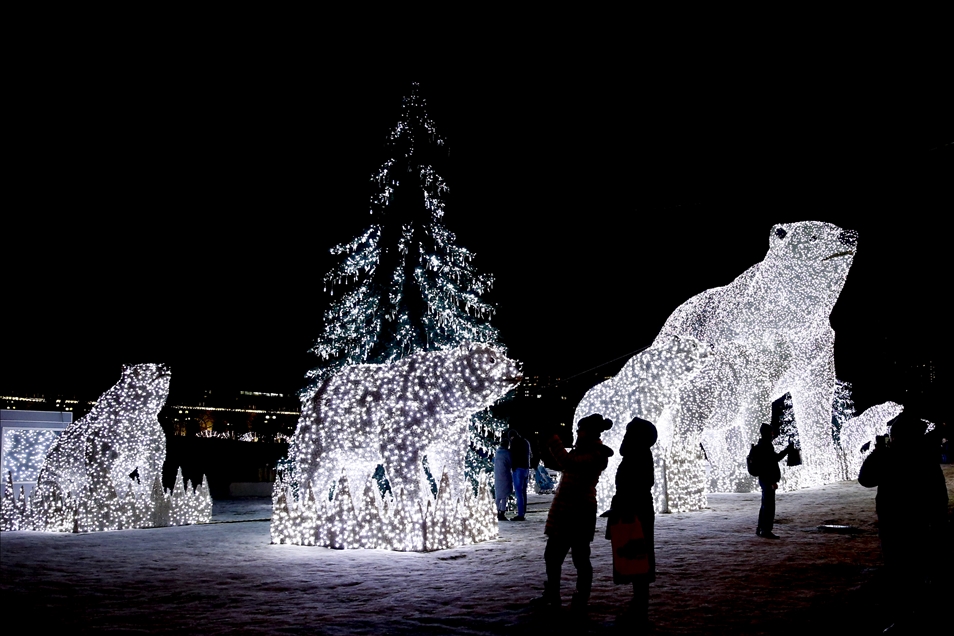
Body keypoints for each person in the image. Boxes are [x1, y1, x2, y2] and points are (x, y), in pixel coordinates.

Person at [858, 411, 948, 633]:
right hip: (917, 524)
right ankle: (918, 615)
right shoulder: (925, 457)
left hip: (897, 525)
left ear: (897, 435)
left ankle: (906, 617)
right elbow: (939, 495)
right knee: (917, 572)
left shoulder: (891, 456)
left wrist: (878, 452)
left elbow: (865, 478)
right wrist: (938, 524)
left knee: (901, 573)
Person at [533, 414, 614, 618]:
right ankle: (555, 594)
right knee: (555, 556)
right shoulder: (586, 451)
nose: (577, 433)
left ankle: (578, 598)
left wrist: (552, 438)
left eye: (580, 429)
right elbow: (564, 462)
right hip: (569, 512)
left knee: (577, 558)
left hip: (577, 513)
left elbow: (568, 462)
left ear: (589, 431)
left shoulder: (595, 454)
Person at [606, 416, 657, 629]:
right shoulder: (638, 455)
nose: (625, 436)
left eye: (629, 433)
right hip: (635, 511)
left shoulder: (638, 456)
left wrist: (623, 507)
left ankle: (639, 609)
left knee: (638, 557)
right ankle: (638, 606)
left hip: (635, 514)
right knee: (636, 558)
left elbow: (637, 485)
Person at [752, 423, 793, 539]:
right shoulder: (766, 446)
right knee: (769, 506)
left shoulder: (762, 445)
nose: (773, 434)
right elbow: (770, 463)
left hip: (764, 479)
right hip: (767, 479)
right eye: (771, 432)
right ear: (767, 433)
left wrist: (786, 450)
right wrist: (772, 482)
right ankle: (766, 530)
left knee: (765, 504)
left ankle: (760, 528)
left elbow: (774, 459)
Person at [509, 429, 532, 521]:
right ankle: (523, 512)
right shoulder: (525, 442)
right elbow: (529, 455)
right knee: (523, 492)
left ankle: (520, 514)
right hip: (526, 468)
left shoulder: (514, 443)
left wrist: (513, 466)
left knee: (518, 492)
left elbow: (513, 456)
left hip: (518, 469)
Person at [493, 434, 513, 521]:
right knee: (504, 495)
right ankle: (502, 512)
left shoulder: (497, 452)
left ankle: (494, 511)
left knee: (498, 495)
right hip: (505, 475)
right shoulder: (506, 453)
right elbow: (511, 463)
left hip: (497, 474)